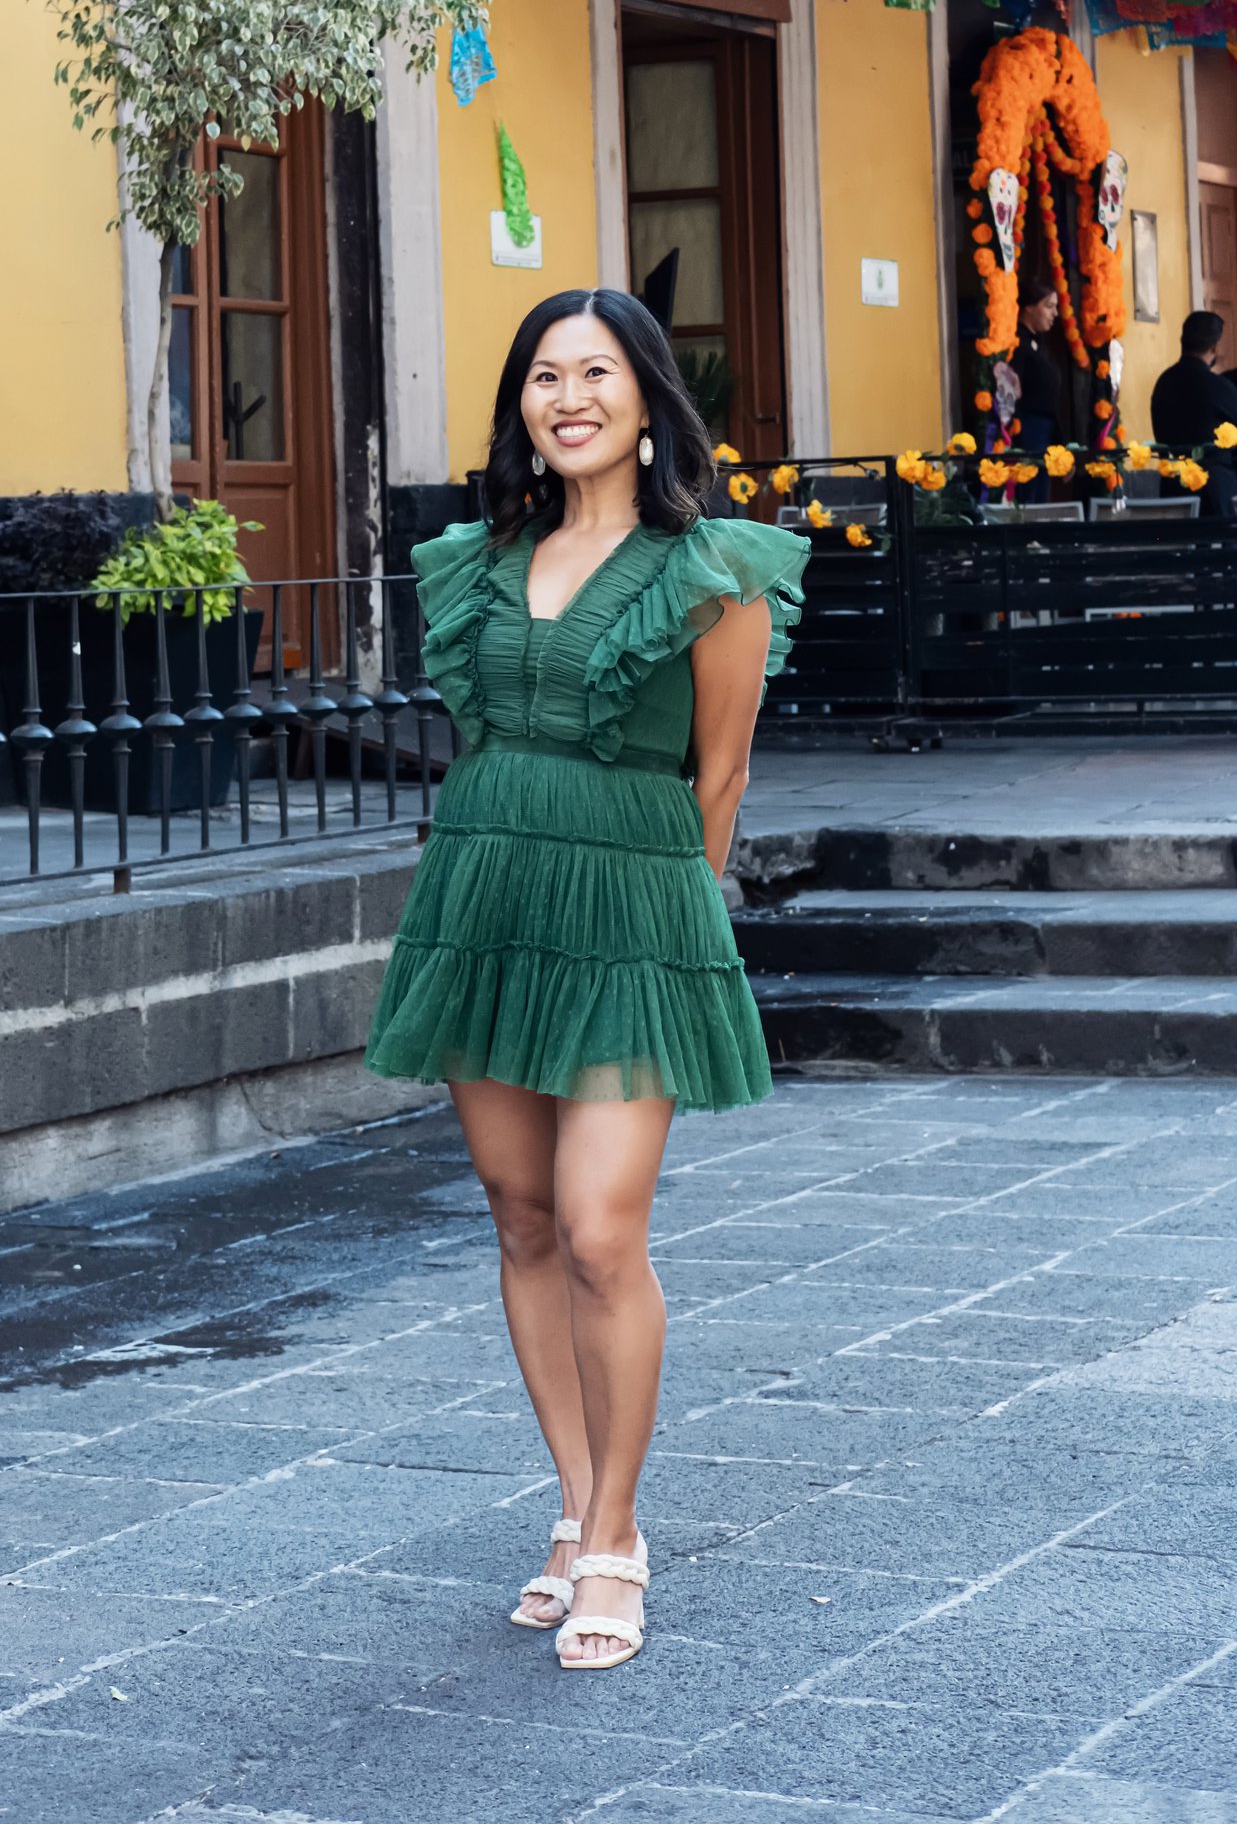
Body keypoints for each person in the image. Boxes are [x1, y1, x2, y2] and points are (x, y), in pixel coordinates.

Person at [364, 288, 805, 1674]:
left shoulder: (714, 567)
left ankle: (617, 1533)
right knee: (521, 1216)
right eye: (545, 375)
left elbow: (721, 774)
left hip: (631, 904)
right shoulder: (483, 559)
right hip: (487, 893)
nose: (570, 397)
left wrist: (677, 917)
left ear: (648, 397)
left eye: (596, 371)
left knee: (603, 1229)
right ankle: (570, 1501)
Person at [1150, 309, 1237, 514]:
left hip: (1172, 487)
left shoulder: (1164, 382)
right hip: (1213, 490)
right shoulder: (1219, 386)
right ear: (1215, 346)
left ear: (1182, 340)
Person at [1009, 280, 1070, 455]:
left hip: (1046, 431)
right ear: (1029, 307)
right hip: (1027, 434)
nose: (1055, 313)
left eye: (1055, 307)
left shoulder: (1040, 342)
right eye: (1049, 306)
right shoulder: (1017, 344)